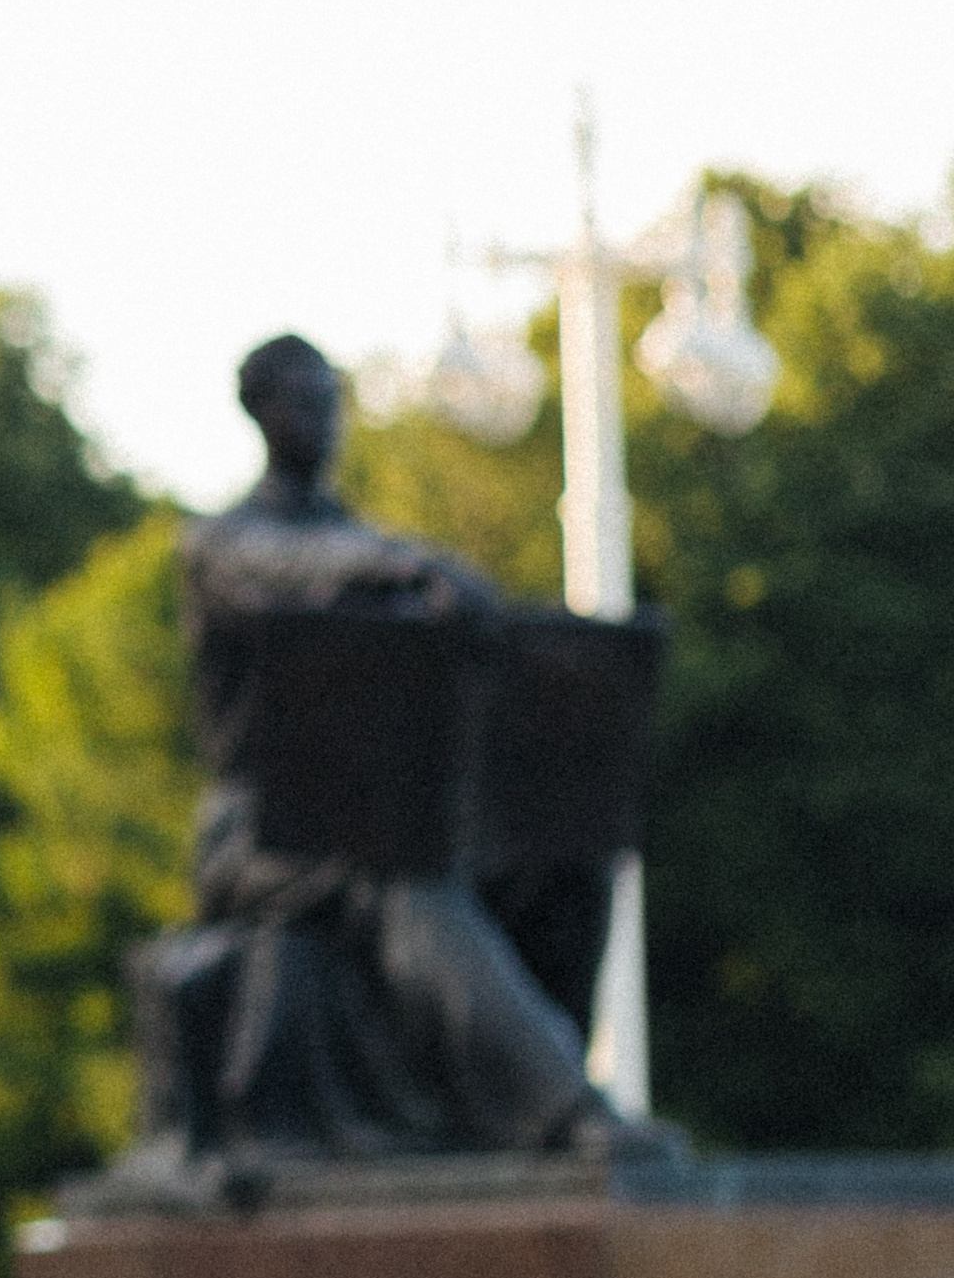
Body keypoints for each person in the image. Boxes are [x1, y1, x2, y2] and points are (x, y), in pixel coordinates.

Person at [126, 334, 662, 1183]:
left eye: (331, 401)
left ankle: (513, 1109)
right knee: (404, 878)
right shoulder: (224, 542)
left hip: (376, 812)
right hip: (259, 835)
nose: (322, 420)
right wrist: (410, 567)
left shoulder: (369, 543)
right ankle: (564, 1112)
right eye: (303, 402)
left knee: (567, 860)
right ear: (259, 412)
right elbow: (293, 567)